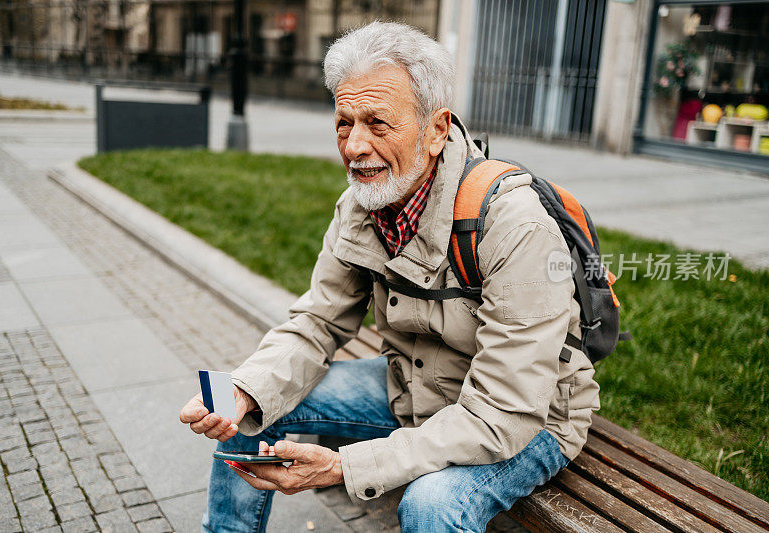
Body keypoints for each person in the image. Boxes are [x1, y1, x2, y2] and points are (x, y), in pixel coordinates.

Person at [179, 21, 599, 533]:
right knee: (252, 404)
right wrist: (243, 392)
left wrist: (344, 467)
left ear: (437, 129)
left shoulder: (514, 223)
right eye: (343, 122)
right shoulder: (361, 205)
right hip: (416, 388)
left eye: (378, 124)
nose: (354, 146)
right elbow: (317, 322)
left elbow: (503, 412)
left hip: (525, 420)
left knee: (431, 504)